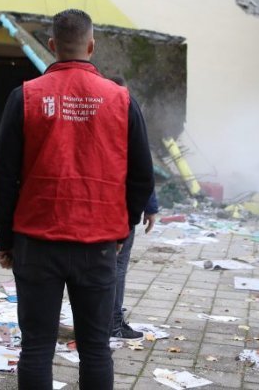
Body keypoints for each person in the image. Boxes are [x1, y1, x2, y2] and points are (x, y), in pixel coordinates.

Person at [0, 9, 155, 390]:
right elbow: (142, 176)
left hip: (35, 242)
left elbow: (3, 178)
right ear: (91, 45)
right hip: (97, 245)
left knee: (36, 347)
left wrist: (5, 240)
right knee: (96, 348)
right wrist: (121, 231)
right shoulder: (121, 100)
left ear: (51, 46)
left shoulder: (26, 97)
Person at [106, 75, 159, 340]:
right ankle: (113, 323)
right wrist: (147, 208)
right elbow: (142, 166)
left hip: (96, 205)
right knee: (117, 267)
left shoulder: (96, 113)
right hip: (120, 209)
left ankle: (98, 321)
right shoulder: (128, 111)